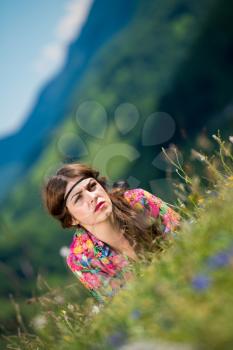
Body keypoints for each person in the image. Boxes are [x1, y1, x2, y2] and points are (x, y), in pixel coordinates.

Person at [42, 163, 180, 304]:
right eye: (78, 198)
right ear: (71, 219)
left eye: (92, 186)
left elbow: (183, 236)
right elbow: (122, 304)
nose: (92, 197)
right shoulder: (81, 259)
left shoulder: (138, 200)